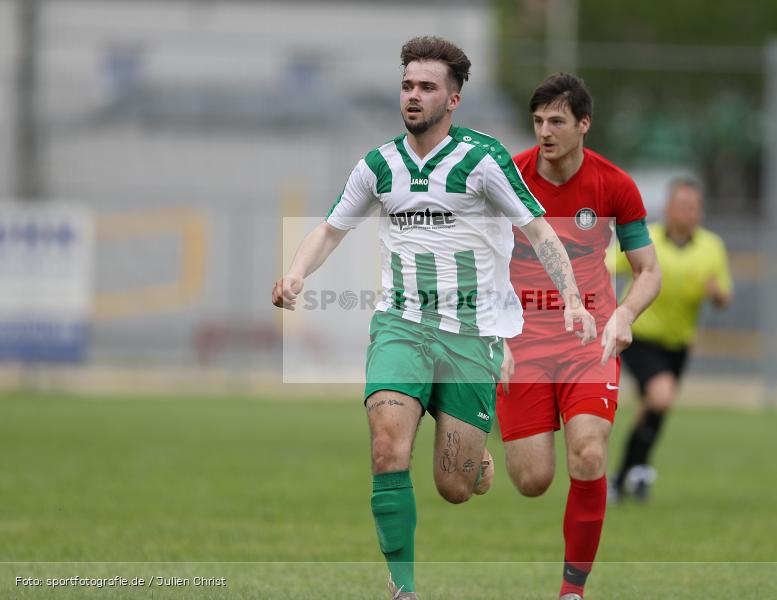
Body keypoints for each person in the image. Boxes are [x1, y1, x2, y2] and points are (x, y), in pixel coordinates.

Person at [272, 38, 597, 600]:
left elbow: (539, 231)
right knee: (386, 448)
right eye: (407, 86)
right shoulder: (379, 164)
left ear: (453, 99)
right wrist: (297, 273)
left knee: (453, 485)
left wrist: (570, 295)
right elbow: (330, 228)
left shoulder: (483, 159)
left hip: (472, 336)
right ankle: (403, 590)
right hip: (402, 326)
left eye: (426, 87)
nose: (413, 96)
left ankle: (476, 464)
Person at [496, 73, 662, 600]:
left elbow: (649, 270)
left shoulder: (614, 184)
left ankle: (572, 591)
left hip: (587, 343)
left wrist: (625, 314)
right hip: (520, 346)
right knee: (532, 480)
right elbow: (473, 255)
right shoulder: (507, 178)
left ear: (584, 124)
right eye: (538, 121)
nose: (545, 132)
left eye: (557, 121)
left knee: (588, 455)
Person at [611, 176, 732, 502]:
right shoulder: (645, 239)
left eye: (693, 207)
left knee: (653, 408)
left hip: (678, 343)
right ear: (668, 208)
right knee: (661, 396)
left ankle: (626, 476)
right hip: (640, 335)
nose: (687, 212)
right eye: (681, 206)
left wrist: (717, 295)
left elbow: (724, 296)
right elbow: (606, 264)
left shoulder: (711, 247)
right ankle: (633, 473)